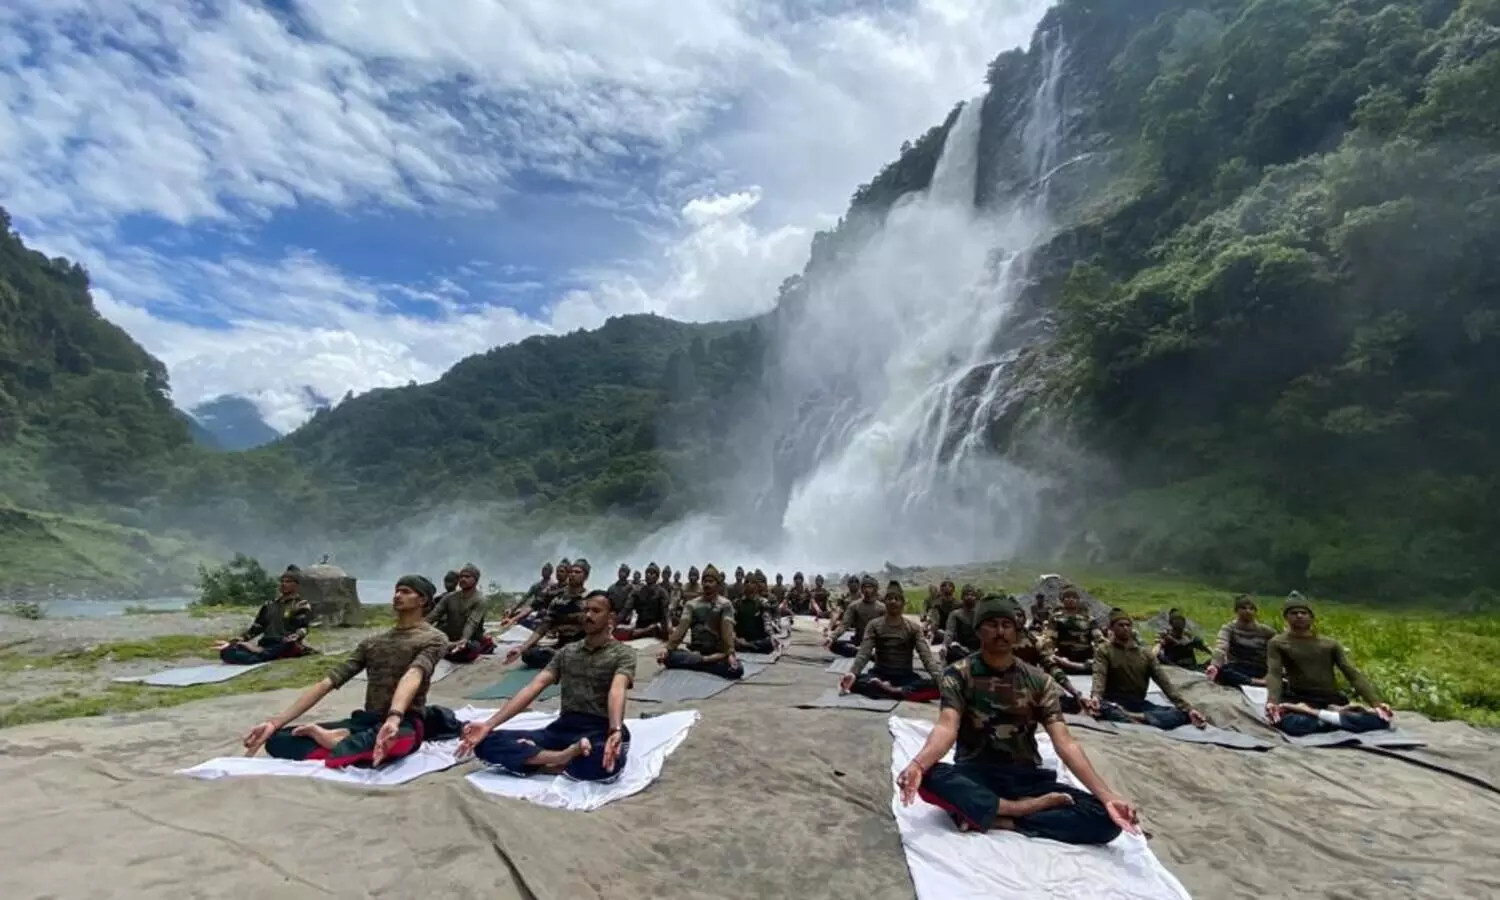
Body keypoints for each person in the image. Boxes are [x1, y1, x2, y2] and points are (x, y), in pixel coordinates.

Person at [895, 595, 1136, 843]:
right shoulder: (958, 675)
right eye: (992, 624)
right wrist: (918, 764)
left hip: (1025, 778)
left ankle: (1000, 818)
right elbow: (947, 726)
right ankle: (1016, 810)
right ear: (979, 629)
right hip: (975, 774)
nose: (1000, 631)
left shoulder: (1038, 680)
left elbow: (1065, 743)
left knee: (1105, 819)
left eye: (1006, 624)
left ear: (1016, 630)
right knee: (929, 777)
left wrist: (1107, 796)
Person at [241, 575, 447, 769]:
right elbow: (328, 682)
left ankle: (339, 742)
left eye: (406, 591)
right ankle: (342, 743)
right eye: (396, 591)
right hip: (368, 722)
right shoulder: (373, 642)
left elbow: (413, 674)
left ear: (422, 600)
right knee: (279, 739)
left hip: (404, 722)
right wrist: (274, 723)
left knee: (397, 738)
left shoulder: (434, 639)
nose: (397, 595)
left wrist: (394, 717)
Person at [460, 591, 634, 782]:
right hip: (563, 728)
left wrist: (615, 729)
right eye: (585, 610)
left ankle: (539, 760)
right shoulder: (567, 652)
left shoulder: (623, 654)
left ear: (610, 617)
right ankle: (561, 758)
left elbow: (617, 689)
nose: (588, 616)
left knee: (606, 761)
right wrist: (488, 725)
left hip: (600, 729)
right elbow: (534, 687)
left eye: (596, 611)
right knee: (486, 742)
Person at [1265, 593, 1392, 736]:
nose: (1299, 616)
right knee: (1292, 724)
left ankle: (1320, 716)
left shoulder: (1329, 644)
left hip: (1331, 700)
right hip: (1298, 699)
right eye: (1294, 613)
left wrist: (1376, 703)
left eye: (1304, 612)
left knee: (1381, 720)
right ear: (1286, 617)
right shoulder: (1277, 642)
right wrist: (1272, 702)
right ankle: (1334, 719)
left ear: (1311, 617)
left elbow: (1351, 673)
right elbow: (1274, 673)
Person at [1086, 610, 1206, 730]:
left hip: (1138, 704)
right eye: (1120, 625)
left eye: (1128, 625)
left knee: (1182, 714)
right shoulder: (1104, 650)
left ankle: (1136, 717)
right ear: (1111, 628)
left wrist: (1188, 709)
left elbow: (1164, 683)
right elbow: (1099, 675)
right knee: (1103, 707)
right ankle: (1140, 718)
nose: (1125, 628)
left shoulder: (1145, 654)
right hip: (1112, 700)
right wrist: (1096, 696)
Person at [838, 581, 943, 702]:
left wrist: (938, 677)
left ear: (903, 603)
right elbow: (864, 652)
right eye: (889, 598)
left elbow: (926, 657)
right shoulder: (874, 625)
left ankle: (891, 690)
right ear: (885, 602)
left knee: (936, 687)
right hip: (880, 674)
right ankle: (899, 691)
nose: (893, 601)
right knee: (852, 682)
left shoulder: (913, 628)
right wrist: (853, 672)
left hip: (905, 676)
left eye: (897, 599)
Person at [658, 564, 742, 680]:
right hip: (696, 652)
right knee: (667, 658)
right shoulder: (691, 605)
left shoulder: (725, 605)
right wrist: (667, 648)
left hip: (716, 653)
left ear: (718, 585)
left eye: (711, 581)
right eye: (704, 581)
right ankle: (704, 663)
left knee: (737, 669)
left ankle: (699, 663)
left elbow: (727, 631)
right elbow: (681, 629)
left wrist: (730, 653)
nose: (707, 584)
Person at [217, 565, 312, 664]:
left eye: (288, 582)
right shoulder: (269, 605)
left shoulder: (301, 604)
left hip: (284, 644)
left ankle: (260, 654)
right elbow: (258, 627)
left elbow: (303, 627)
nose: (284, 584)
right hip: (266, 644)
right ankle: (259, 653)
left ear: (296, 585)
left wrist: (296, 635)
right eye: (282, 581)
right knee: (226, 651)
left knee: (286, 646)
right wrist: (241, 639)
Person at [507, 559, 589, 669]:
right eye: (571, 572)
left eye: (577, 572)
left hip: (582, 646)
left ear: (586, 576)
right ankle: (562, 660)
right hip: (562, 644)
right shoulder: (557, 600)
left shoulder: (591, 599)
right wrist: (522, 648)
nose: (573, 575)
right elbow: (543, 627)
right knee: (528, 654)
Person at [426, 563, 495, 663]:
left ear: (475, 580)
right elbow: (433, 616)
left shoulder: (480, 600)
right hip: (449, 637)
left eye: (467, 577)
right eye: (461, 577)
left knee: (469, 650)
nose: (463, 579)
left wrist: (463, 640)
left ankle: (447, 651)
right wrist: (418, 629)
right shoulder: (449, 597)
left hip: (470, 638)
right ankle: (446, 649)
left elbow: (472, 623)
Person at [1206, 595, 1277, 687]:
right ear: (1236, 610)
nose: (1248, 611)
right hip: (1238, 667)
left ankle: (1263, 681)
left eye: (1251, 608)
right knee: (1221, 671)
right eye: (1243, 608)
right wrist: (1215, 665)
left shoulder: (1266, 631)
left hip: (1260, 668)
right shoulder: (1229, 628)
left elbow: (1279, 647)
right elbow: (1221, 646)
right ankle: (1253, 682)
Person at [1041, 587, 1102, 674]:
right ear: (1063, 600)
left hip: (1086, 658)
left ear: (1078, 600)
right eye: (1068, 597)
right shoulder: (1056, 618)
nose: (1071, 600)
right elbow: (1050, 639)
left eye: (1074, 597)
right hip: (1064, 657)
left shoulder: (1088, 618)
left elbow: (1098, 637)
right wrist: (1051, 653)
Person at [827, 575, 884, 658]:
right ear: (861, 589)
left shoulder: (882, 608)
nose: (867, 590)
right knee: (832, 645)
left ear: (875, 589)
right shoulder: (854, 606)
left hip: (875, 643)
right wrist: (832, 637)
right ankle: (863, 653)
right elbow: (844, 625)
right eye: (864, 587)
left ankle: (867, 653)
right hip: (859, 641)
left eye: (870, 587)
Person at [616, 562, 671, 641]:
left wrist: (669, 625)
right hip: (640, 626)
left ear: (657, 577)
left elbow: (666, 612)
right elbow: (626, 610)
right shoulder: (636, 591)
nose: (649, 575)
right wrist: (615, 623)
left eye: (652, 573)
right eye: (647, 572)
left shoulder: (662, 593)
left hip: (656, 627)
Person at [733, 572, 778, 654]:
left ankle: (748, 646)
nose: (749, 584)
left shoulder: (763, 602)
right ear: (744, 585)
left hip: (758, 641)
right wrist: (736, 638)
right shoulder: (737, 603)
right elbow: (732, 624)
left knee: (769, 642)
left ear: (757, 586)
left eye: (752, 582)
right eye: (746, 582)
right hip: (740, 639)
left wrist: (772, 635)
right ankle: (746, 646)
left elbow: (767, 623)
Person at [942, 584, 982, 664]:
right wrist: (944, 646)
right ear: (962, 597)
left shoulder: (981, 614)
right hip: (962, 648)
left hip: (980, 649)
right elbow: (949, 632)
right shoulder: (956, 614)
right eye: (967, 595)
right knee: (951, 653)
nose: (969, 597)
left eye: (972, 595)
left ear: (976, 598)